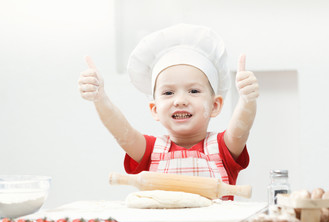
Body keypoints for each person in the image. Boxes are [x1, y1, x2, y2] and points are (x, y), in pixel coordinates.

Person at [78, 24, 259, 200]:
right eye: (168, 92)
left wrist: (247, 100)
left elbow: (240, 129)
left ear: (215, 105)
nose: (180, 100)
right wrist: (100, 99)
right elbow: (122, 132)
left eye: (194, 91)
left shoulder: (223, 148)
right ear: (155, 110)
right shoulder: (149, 150)